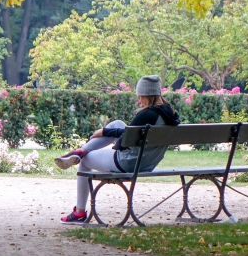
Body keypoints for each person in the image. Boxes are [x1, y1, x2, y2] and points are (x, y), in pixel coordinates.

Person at [55, 75, 181, 224]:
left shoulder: (147, 114)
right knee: (117, 124)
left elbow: (122, 144)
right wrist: (109, 132)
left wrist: (104, 132)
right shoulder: (170, 113)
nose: (139, 100)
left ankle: (79, 212)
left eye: (140, 96)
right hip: (148, 162)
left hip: (129, 162)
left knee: (84, 162)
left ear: (145, 95)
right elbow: (129, 135)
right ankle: (81, 151)